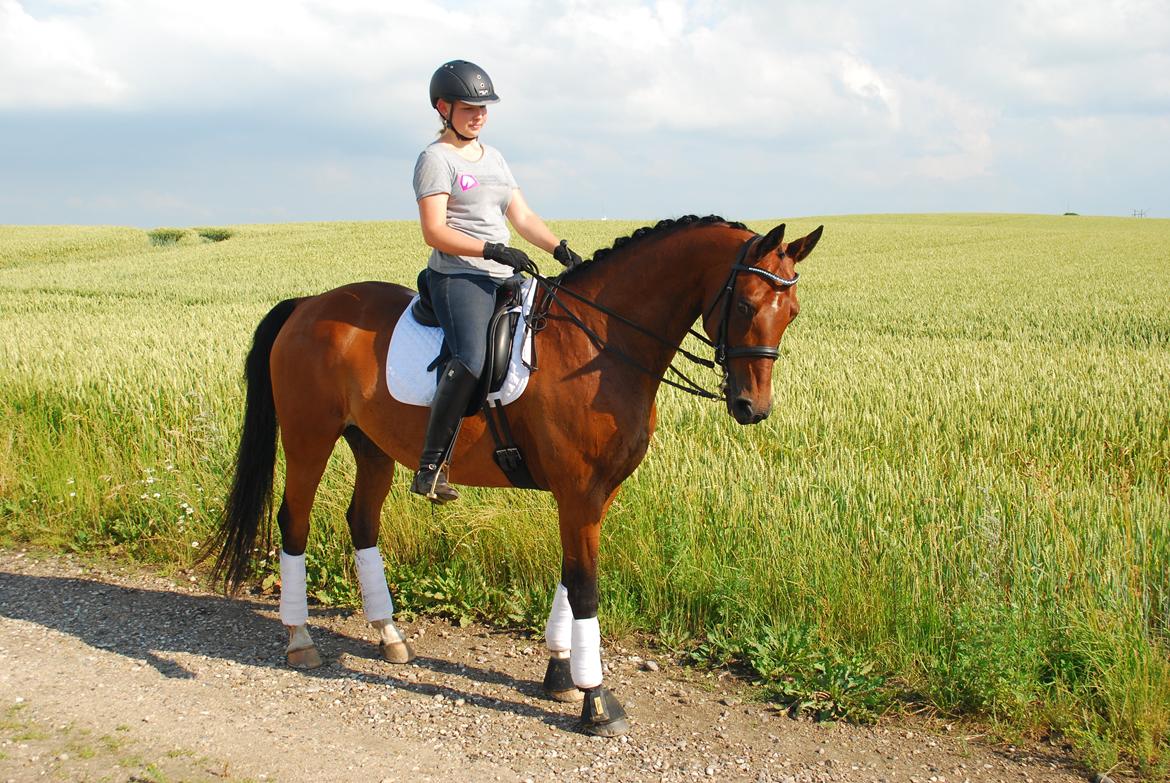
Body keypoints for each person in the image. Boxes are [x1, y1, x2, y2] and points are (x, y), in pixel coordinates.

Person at [411, 59, 583, 503]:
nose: (479, 114)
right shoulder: (435, 159)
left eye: (484, 107)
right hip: (458, 275)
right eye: (470, 106)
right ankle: (431, 466)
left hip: (503, 274)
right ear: (443, 107)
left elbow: (521, 216)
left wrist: (559, 249)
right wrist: (488, 249)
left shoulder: (496, 158)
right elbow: (434, 231)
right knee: (470, 356)